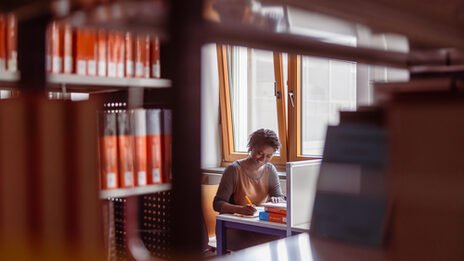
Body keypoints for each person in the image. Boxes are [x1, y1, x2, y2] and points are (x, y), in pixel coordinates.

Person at [213, 128, 285, 215]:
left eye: (268, 156)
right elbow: (217, 204)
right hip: (235, 222)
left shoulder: (270, 170)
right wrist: (239, 209)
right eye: (260, 153)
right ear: (251, 148)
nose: (263, 159)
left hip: (257, 221)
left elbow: (279, 197)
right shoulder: (233, 170)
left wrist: (277, 200)